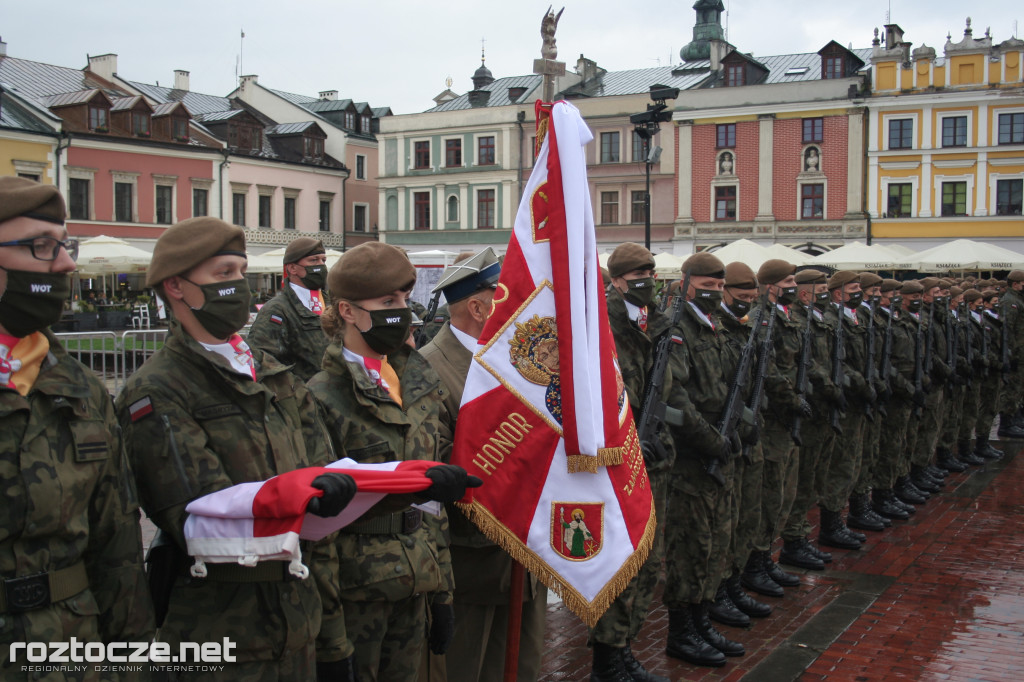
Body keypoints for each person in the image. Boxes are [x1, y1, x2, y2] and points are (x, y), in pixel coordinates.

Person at [116, 217, 357, 680]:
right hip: (220, 635)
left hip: (299, 622)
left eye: (241, 272)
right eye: (223, 274)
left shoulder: (274, 375)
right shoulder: (158, 389)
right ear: (177, 286)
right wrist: (307, 497)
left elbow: (321, 526)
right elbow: (197, 514)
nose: (239, 286)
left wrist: (332, 637)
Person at [0, 176, 154, 681]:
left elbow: (116, 545)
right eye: (42, 247)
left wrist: (133, 660)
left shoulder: (79, 386)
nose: (66, 263)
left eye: (64, 245)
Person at [307, 241, 480, 681]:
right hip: (357, 593)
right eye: (387, 302)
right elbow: (316, 530)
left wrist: (442, 591)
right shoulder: (320, 397)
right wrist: (329, 636)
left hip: (416, 583)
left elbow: (431, 502)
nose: (402, 311)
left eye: (404, 299)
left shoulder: (413, 381)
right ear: (347, 311)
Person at [419, 248, 549, 682]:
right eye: (507, 294)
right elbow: (436, 467)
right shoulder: (430, 370)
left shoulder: (515, 359)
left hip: (525, 556)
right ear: (478, 306)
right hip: (472, 564)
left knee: (521, 667)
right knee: (465, 670)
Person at [590, 242, 672, 680]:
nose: (648, 280)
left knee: (648, 560)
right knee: (621, 561)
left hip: (652, 457)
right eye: (639, 274)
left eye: (651, 272)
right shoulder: (601, 322)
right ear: (618, 280)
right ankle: (606, 657)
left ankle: (624, 647)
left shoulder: (653, 323)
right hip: (616, 459)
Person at [663, 251, 744, 669]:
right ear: (687, 284)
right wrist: (709, 440)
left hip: (719, 443)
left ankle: (702, 618)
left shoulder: (715, 327)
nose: (713, 293)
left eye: (718, 286)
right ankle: (681, 631)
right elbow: (675, 397)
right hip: (691, 455)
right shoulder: (679, 329)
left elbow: (731, 383)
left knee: (715, 540)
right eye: (706, 286)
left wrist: (736, 427)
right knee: (688, 546)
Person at [779, 269, 840, 570]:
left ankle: (801, 536)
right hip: (808, 409)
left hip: (819, 408)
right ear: (806, 294)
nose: (827, 293)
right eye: (823, 289)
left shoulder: (817, 318)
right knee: (801, 481)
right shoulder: (799, 321)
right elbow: (808, 366)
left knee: (814, 477)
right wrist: (829, 388)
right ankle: (794, 539)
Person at [246, 237, 331, 382]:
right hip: (304, 397)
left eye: (323, 260)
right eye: (314, 260)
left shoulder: (332, 303)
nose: (321, 265)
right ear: (292, 268)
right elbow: (262, 360)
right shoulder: (277, 310)